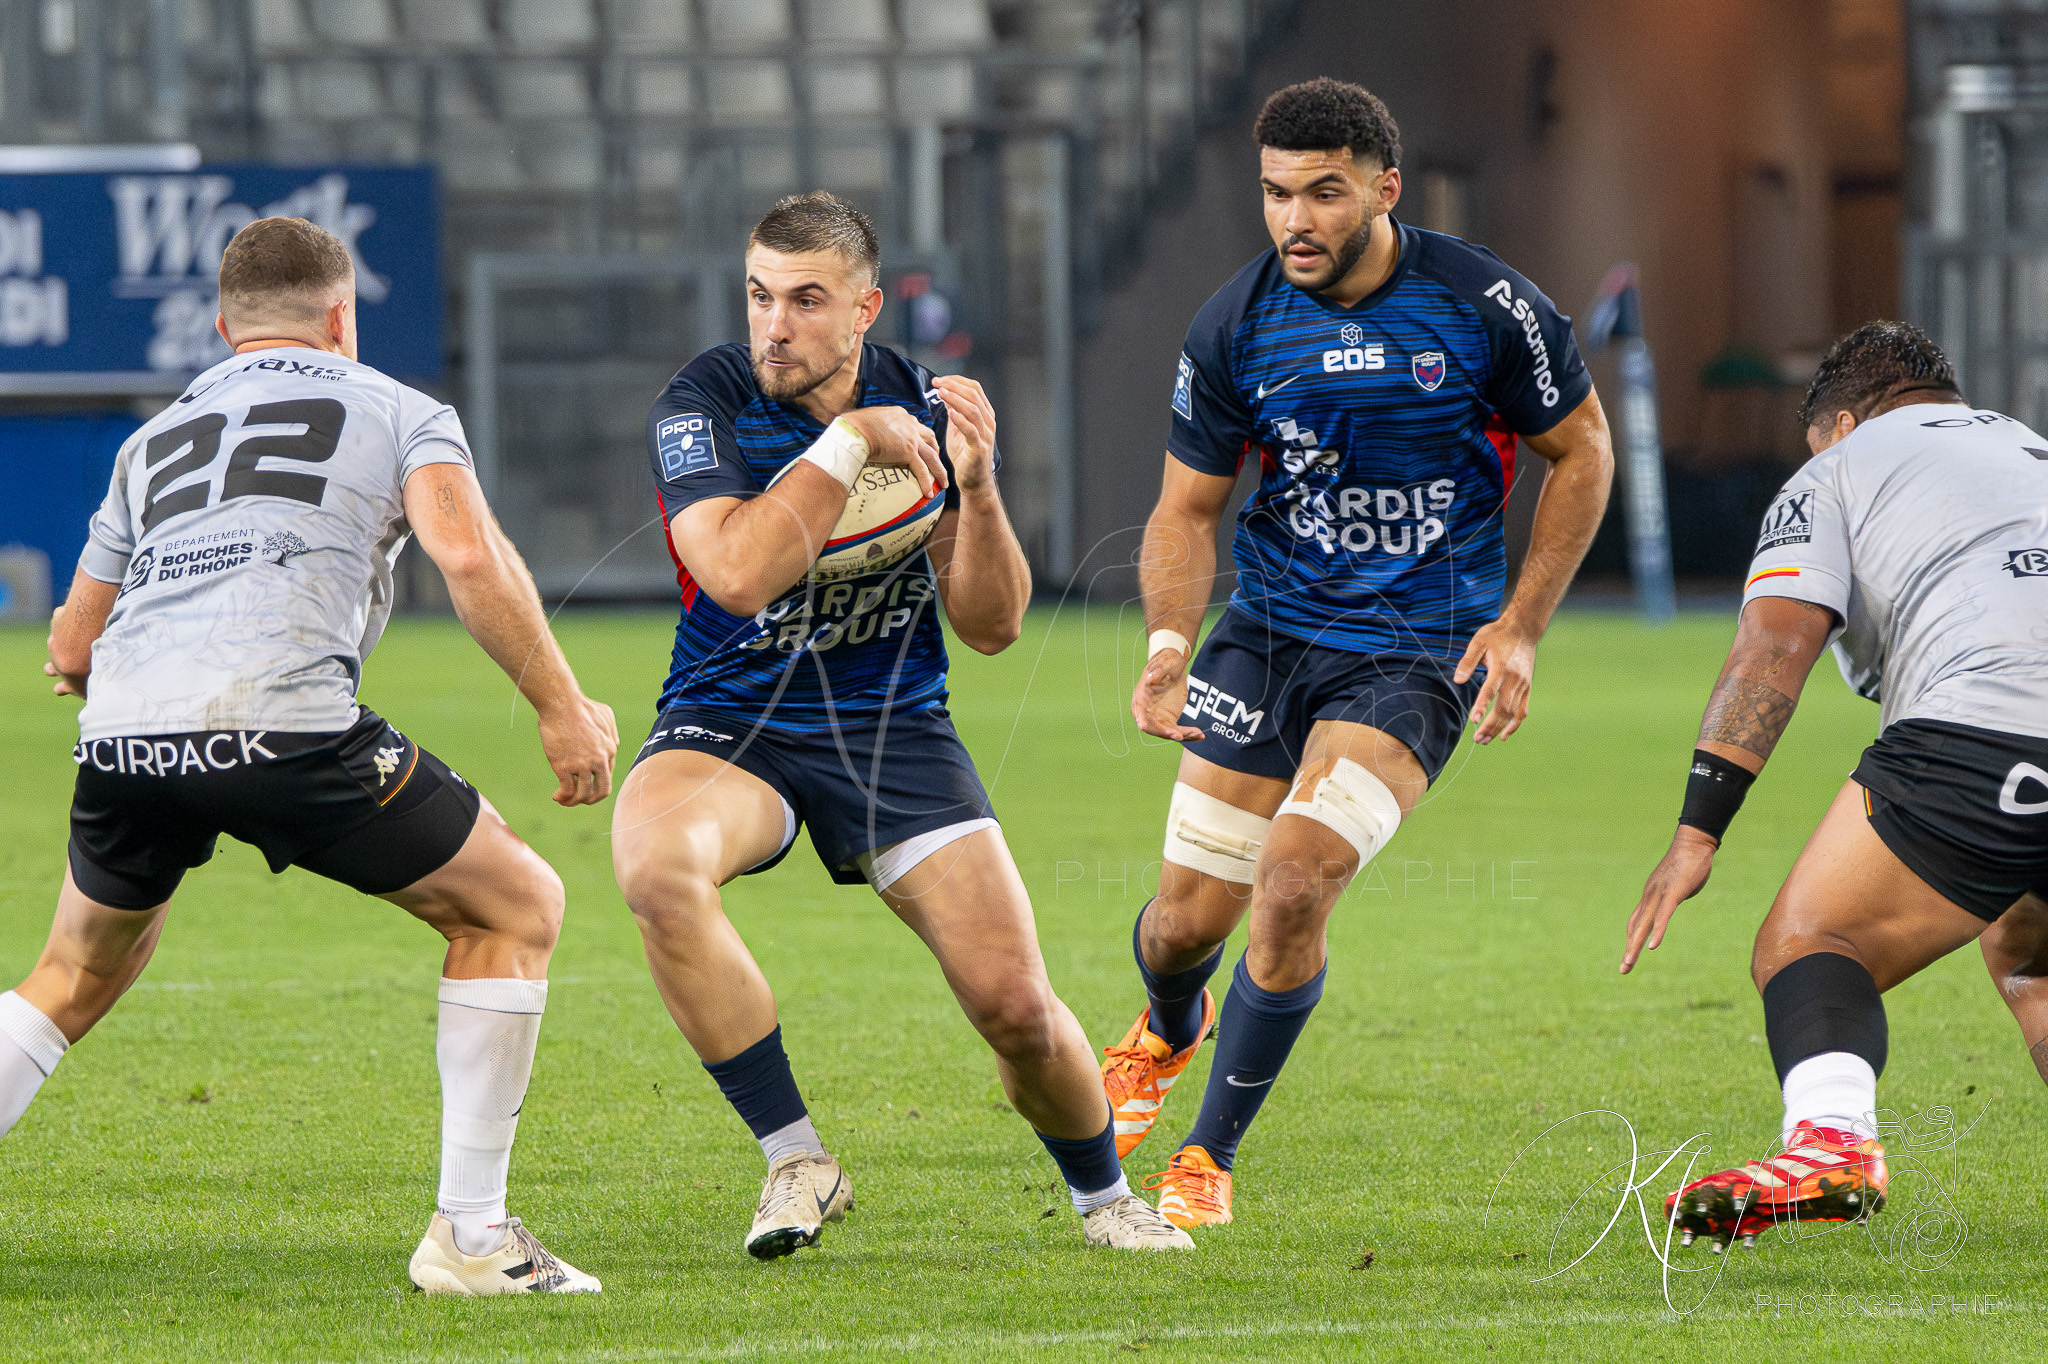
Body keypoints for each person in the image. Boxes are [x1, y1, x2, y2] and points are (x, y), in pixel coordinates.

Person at [8, 216, 618, 1295]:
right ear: (343, 316)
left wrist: (94, 669)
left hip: (125, 737)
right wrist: (561, 705)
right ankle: (470, 1239)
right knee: (514, 905)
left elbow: (70, 641)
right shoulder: (397, 406)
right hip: (284, 720)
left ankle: (474, 1238)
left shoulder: (153, 438)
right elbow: (466, 553)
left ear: (219, 327)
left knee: (71, 972)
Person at [611, 192, 1190, 1258]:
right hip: (734, 716)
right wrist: (845, 445)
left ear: (865, 307)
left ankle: (1105, 1196)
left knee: (1015, 1006)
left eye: (804, 299)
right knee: (652, 866)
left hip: (893, 728)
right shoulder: (704, 401)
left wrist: (975, 486)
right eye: (758, 295)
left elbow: (994, 624)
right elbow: (734, 575)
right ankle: (797, 1156)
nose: (772, 324)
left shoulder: (925, 403)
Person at [1108, 77, 1614, 1229]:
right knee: (1184, 920)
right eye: (1277, 193)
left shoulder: (1487, 306)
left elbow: (1580, 453)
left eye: (1323, 193)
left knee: (1291, 882)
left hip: (1414, 653)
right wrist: (1168, 640)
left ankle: (1205, 1155)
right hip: (1268, 636)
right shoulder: (1233, 323)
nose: (1294, 218)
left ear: (1384, 190)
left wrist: (1520, 627)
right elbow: (1186, 510)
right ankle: (1166, 1021)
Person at [1623, 321, 2048, 1250]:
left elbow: (1775, 644)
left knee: (1812, 939)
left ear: (1842, 422)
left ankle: (1830, 1145)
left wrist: (1698, 829)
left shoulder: (1836, 470)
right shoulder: (2030, 446)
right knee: (2029, 949)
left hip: (1992, 726)